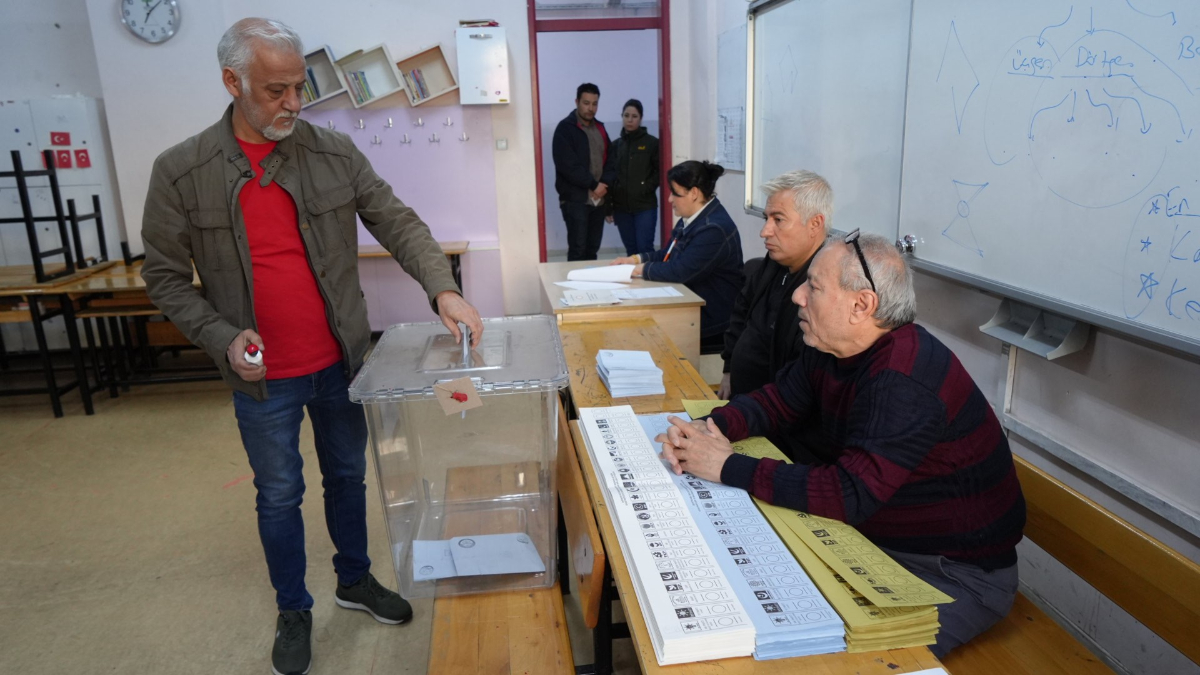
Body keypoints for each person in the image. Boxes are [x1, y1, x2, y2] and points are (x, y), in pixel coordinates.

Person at [139, 18, 484, 675]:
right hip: (262, 377)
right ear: (232, 82)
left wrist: (443, 289)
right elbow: (162, 278)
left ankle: (354, 579)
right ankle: (293, 607)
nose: (294, 103)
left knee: (348, 475)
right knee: (278, 494)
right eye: (277, 90)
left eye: (301, 87)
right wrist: (220, 335)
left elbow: (398, 220)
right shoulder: (182, 171)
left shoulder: (332, 153)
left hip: (340, 363)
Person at [655, 232, 1025, 659]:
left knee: (814, 659)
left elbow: (850, 494)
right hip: (873, 541)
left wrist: (725, 466)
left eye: (813, 286)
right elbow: (776, 402)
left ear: (861, 305)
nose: (797, 296)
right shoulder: (834, 348)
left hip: (951, 574)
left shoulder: (902, 378)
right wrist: (705, 429)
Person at [719, 170, 832, 409]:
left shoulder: (825, 288)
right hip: (742, 403)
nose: (765, 231)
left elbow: (799, 386)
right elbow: (741, 313)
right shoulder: (772, 263)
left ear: (815, 224)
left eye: (778, 220)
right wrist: (729, 369)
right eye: (766, 219)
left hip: (772, 418)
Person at [610, 160, 744, 353]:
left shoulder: (714, 228)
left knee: (640, 332)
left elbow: (681, 271)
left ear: (694, 193)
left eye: (675, 193)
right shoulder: (693, 219)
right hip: (689, 305)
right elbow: (668, 254)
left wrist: (635, 271)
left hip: (710, 319)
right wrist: (635, 260)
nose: (670, 199)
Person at [552, 83, 617, 261]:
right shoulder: (565, 129)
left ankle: (590, 288)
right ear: (577, 102)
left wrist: (604, 184)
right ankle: (574, 288)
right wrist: (593, 184)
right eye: (586, 103)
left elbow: (611, 161)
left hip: (598, 199)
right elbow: (568, 166)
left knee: (592, 250)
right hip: (575, 200)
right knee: (578, 249)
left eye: (594, 104)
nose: (590, 108)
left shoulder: (601, 129)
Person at [607, 99, 660, 256]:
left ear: (641, 118)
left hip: (645, 207)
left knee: (645, 249)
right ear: (622, 116)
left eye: (634, 116)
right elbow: (610, 176)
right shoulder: (616, 145)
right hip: (622, 209)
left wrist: (645, 188)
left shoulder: (652, 143)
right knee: (631, 251)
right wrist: (609, 207)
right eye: (626, 115)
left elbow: (659, 172)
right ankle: (635, 280)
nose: (630, 120)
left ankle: (650, 277)